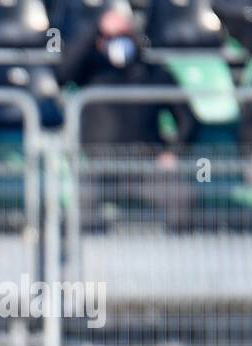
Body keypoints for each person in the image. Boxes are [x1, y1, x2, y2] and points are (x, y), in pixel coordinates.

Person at [58, 7, 196, 229]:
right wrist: (97, 29)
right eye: (112, 37)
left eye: (124, 35)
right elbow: (63, 73)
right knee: (81, 202)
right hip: (98, 166)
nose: (119, 42)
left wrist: (173, 152)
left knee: (180, 196)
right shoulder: (92, 71)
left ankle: (174, 255)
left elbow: (188, 119)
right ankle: (87, 259)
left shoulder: (155, 74)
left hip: (145, 165)